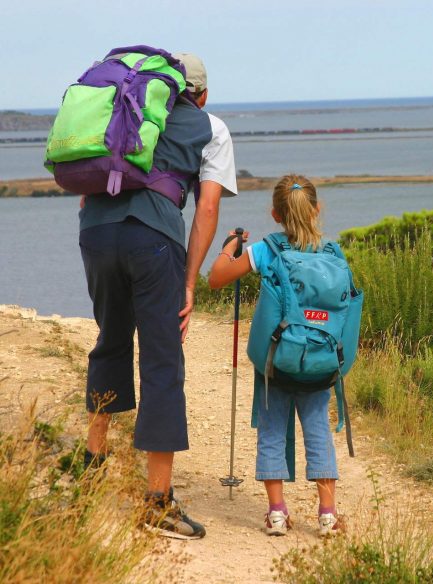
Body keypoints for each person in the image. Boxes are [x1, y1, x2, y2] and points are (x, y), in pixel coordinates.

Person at [79, 52, 237, 539]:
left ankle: (91, 467)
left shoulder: (124, 106)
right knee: (162, 361)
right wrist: (189, 282)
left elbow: (88, 188)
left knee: (111, 339)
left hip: (98, 233)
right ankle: (157, 503)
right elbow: (207, 208)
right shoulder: (210, 127)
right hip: (154, 242)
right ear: (202, 94)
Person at [208, 174, 343, 537]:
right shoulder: (333, 253)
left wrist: (229, 247)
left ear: (274, 214)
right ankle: (328, 515)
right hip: (320, 360)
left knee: (271, 431)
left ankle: (278, 514)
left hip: (275, 359)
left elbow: (216, 278)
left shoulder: (266, 250)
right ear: (316, 210)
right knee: (318, 432)